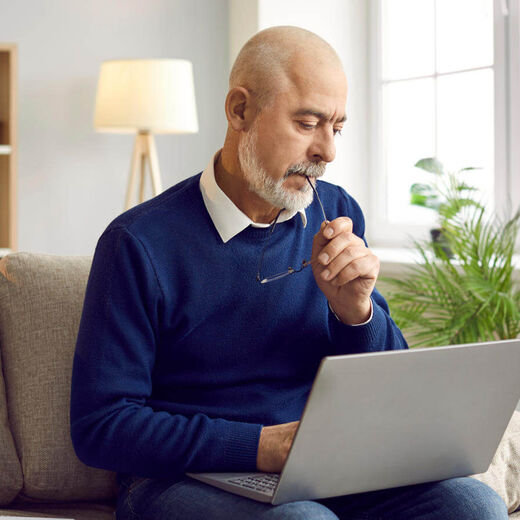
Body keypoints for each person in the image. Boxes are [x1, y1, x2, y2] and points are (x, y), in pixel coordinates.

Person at [70, 26, 508, 519]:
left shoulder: (338, 212)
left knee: (474, 506)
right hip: (182, 479)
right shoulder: (138, 242)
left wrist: (357, 312)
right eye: (307, 123)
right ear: (240, 111)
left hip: (325, 467)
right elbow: (101, 425)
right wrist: (262, 446)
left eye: (336, 128)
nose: (328, 150)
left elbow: (388, 389)